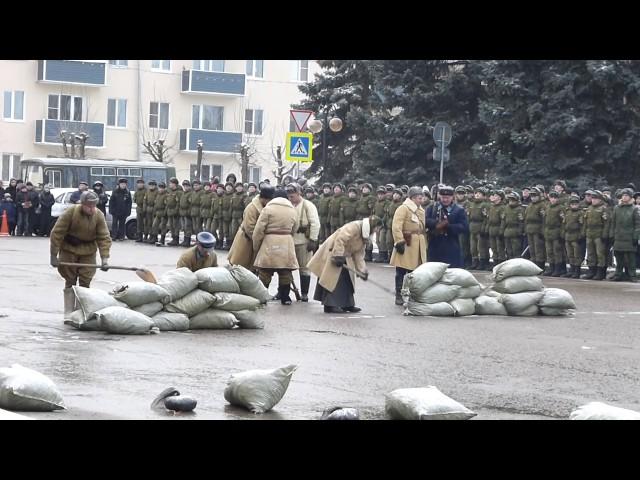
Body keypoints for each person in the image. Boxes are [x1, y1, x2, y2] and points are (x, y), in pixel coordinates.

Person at [50, 191, 112, 318]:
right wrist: (53, 255)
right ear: (82, 204)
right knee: (70, 280)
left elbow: (104, 237)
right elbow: (57, 233)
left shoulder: (98, 215)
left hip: (88, 251)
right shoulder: (71, 212)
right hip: (69, 249)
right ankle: (68, 311)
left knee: (85, 281)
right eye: (88, 206)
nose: (91, 208)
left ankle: (81, 311)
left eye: (93, 205)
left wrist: (104, 259)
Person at [307, 215, 379, 313]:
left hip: (345, 255)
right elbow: (340, 239)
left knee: (347, 279)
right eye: (377, 228)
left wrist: (362, 271)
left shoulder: (364, 237)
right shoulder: (354, 227)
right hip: (334, 251)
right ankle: (330, 305)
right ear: (372, 226)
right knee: (333, 279)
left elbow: (359, 255)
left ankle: (347, 304)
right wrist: (338, 255)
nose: (377, 231)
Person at [252, 189, 299, 305]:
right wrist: (288, 235)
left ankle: (262, 297)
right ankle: (285, 297)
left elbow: (259, 229)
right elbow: (295, 227)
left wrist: (256, 245)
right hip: (286, 240)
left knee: (265, 272)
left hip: (269, 240)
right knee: (285, 272)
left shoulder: (268, 209)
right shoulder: (292, 210)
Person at [390, 187, 427, 305]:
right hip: (406, 243)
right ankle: (399, 295)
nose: (422, 200)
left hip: (418, 243)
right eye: (419, 198)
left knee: (415, 273)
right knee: (401, 271)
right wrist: (399, 241)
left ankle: (412, 295)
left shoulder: (421, 210)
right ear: (413, 198)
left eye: (422, 198)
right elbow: (396, 226)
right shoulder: (403, 208)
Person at [286, 183, 320, 302]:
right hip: (289, 241)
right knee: (285, 267)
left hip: (303, 241)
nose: (290, 198)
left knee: (304, 268)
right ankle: (283, 292)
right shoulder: (287, 205)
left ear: (299, 193)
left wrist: (313, 239)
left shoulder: (308, 205)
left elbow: (315, 223)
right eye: (289, 195)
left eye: (293, 195)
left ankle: (304, 293)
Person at [228, 185, 275, 270]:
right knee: (240, 266)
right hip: (246, 240)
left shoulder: (265, 207)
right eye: (269, 200)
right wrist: (259, 238)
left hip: (255, 240)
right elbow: (249, 227)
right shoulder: (252, 208)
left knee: (252, 267)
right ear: (264, 198)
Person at [425, 185, 469, 268]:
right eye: (443, 197)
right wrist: (436, 224)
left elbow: (464, 227)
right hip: (435, 244)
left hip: (451, 244)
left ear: (452, 197)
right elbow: (425, 220)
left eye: (447, 198)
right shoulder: (432, 208)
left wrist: (448, 226)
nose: (445, 200)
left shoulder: (458, 210)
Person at [608, 188, 640, 281]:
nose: (624, 197)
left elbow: (637, 224)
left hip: (629, 237)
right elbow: (613, 223)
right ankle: (618, 274)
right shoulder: (617, 208)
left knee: (630, 258)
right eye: (623, 195)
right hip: (618, 237)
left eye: (626, 195)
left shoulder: (634, 209)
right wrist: (612, 235)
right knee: (619, 257)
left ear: (630, 197)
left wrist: (635, 237)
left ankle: (632, 275)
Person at [542, 191, 566, 276]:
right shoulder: (547, 207)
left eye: (555, 198)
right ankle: (551, 267)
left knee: (557, 251)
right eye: (551, 198)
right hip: (548, 231)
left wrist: (561, 233)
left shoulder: (560, 208)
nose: (553, 199)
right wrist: (544, 231)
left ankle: (558, 269)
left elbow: (563, 221)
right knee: (549, 251)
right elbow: (544, 221)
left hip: (556, 231)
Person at [524, 187, 546, 270]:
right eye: (532, 196)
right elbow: (526, 218)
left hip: (538, 230)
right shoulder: (530, 205)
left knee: (538, 249)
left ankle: (540, 266)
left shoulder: (542, 205)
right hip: (530, 229)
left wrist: (542, 231)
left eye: (535, 196)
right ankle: (533, 265)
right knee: (532, 249)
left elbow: (544, 220)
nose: (533, 198)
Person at [563, 195, 585, 278]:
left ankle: (577, 271)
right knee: (570, 254)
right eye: (572, 204)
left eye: (576, 203)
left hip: (576, 236)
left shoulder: (580, 213)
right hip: (568, 235)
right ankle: (572, 269)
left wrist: (581, 235)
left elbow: (582, 225)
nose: (574, 205)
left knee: (577, 255)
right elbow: (564, 223)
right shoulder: (567, 212)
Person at [468, 187, 490, 270]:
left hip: (480, 226)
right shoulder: (472, 204)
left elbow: (486, 218)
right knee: (473, 247)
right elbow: (469, 216)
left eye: (479, 193)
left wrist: (484, 228)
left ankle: (483, 262)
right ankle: (475, 261)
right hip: (472, 226)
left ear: (484, 196)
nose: (477, 194)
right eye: (476, 193)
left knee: (481, 247)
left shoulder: (484, 205)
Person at [502, 192, 525, 260]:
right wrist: (502, 230)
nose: (511, 201)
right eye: (510, 200)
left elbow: (521, 222)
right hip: (507, 231)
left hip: (515, 231)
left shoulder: (520, 209)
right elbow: (503, 220)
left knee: (516, 250)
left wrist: (520, 231)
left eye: (513, 200)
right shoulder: (506, 208)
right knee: (508, 250)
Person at [178, 180, 194, 247]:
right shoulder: (183, 193)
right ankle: (185, 240)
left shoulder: (190, 194)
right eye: (184, 186)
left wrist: (188, 212)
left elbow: (191, 204)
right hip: (182, 212)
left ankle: (187, 241)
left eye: (187, 186)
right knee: (184, 227)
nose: (185, 187)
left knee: (188, 227)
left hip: (187, 213)